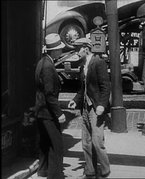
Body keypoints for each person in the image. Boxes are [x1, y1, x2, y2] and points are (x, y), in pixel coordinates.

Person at [68, 38, 111, 179]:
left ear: (86, 48)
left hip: (96, 108)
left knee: (97, 142)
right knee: (86, 142)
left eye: (77, 49)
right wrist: (75, 101)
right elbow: (83, 88)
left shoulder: (99, 63)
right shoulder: (83, 65)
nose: (76, 52)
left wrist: (101, 105)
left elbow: (105, 87)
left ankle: (105, 171)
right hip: (86, 107)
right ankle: (90, 172)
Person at [34, 33, 66, 179]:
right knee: (57, 144)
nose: (61, 51)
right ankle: (55, 175)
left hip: (41, 110)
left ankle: (43, 170)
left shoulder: (43, 62)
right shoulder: (48, 66)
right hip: (48, 112)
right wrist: (59, 113)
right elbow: (49, 94)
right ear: (54, 50)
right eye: (59, 48)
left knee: (45, 142)